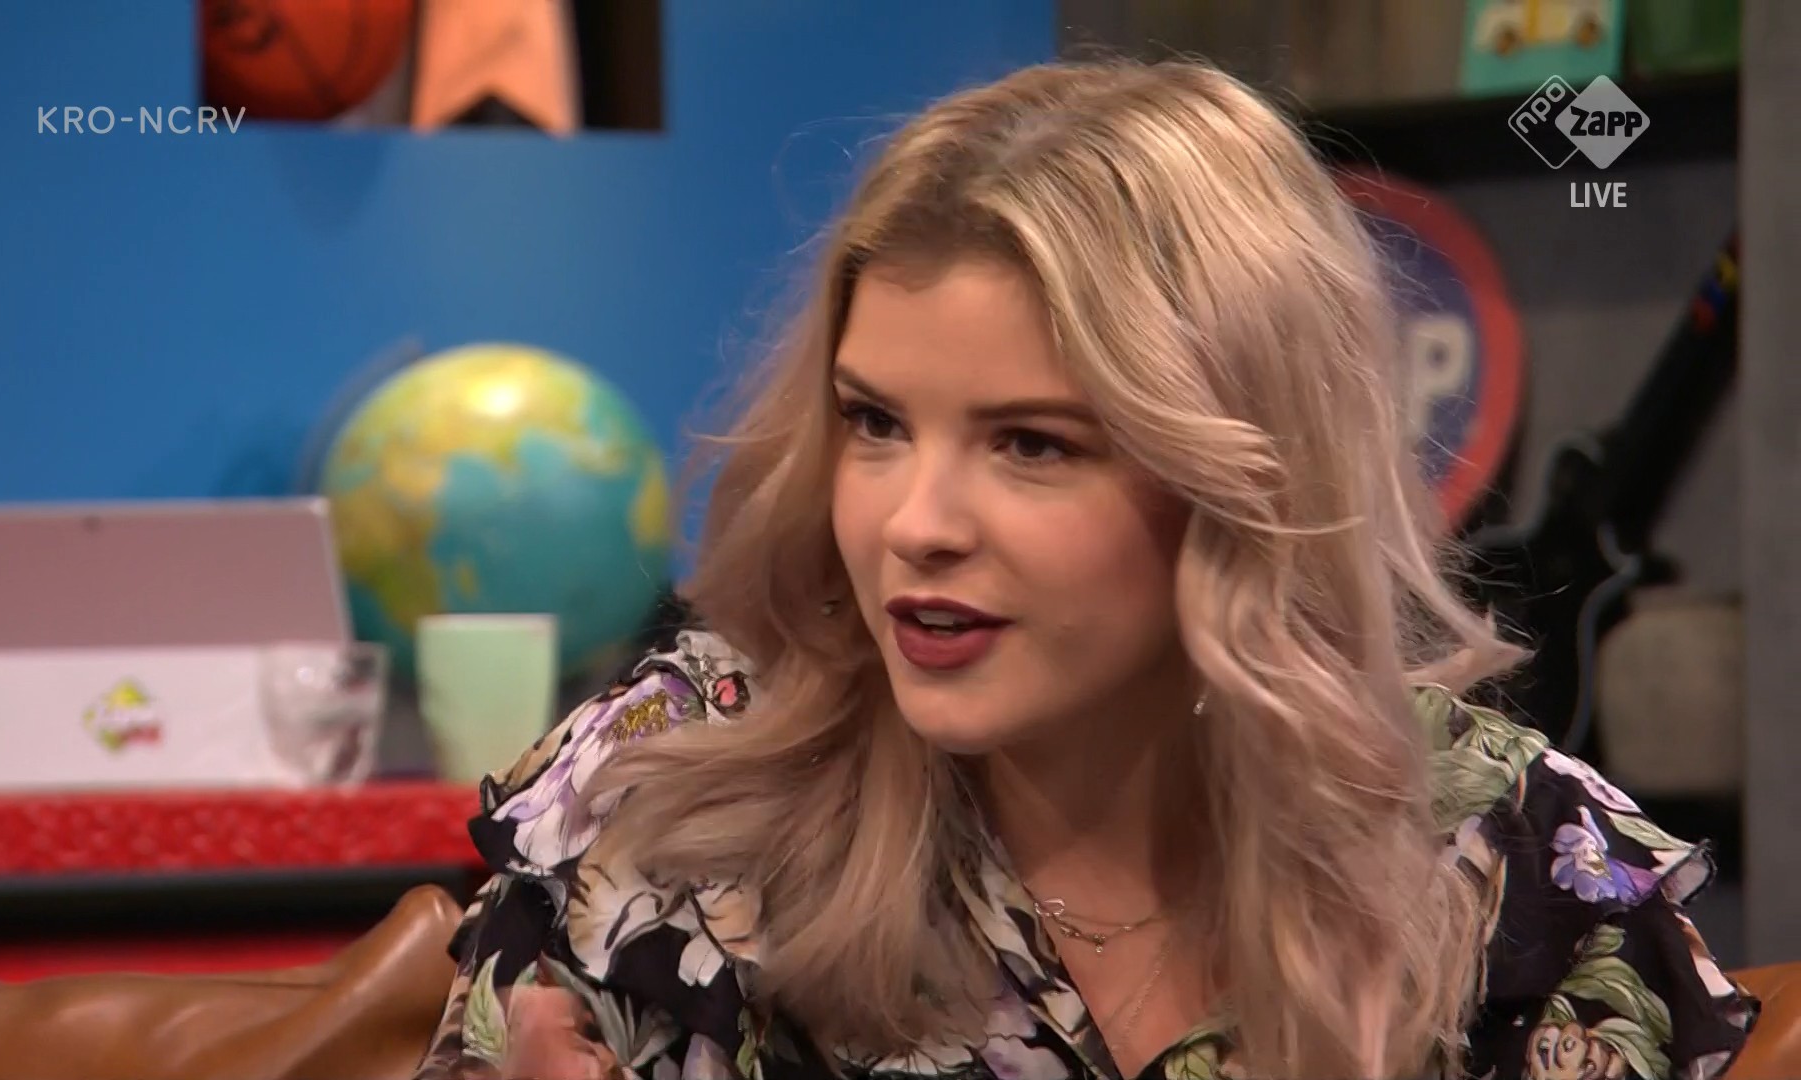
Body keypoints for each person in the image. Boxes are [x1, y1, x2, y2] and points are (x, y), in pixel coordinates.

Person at [414, 58, 1759, 1080]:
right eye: (875, 423)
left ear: (1243, 480)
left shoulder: (1524, 865)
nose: (914, 524)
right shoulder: (665, 804)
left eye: (1032, 445)